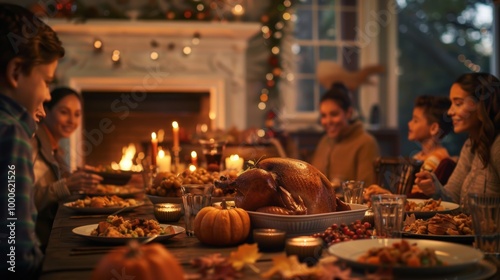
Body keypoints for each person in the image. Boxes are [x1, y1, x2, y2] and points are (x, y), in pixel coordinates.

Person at [0, 3, 65, 278]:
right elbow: (14, 252)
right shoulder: (11, 134)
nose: (49, 95)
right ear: (16, 73)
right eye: (46, 81)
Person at [415, 72, 500, 210]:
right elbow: (453, 199)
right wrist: (434, 188)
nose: (449, 112)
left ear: (481, 105)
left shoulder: (497, 145)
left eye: (458, 103)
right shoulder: (470, 145)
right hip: (470, 231)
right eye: (451, 104)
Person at [32, 87, 102, 252]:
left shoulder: (55, 148)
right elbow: (19, 201)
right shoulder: (32, 144)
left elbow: (54, 180)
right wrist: (67, 185)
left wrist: (76, 178)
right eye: (64, 112)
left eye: (77, 114)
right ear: (46, 111)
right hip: (37, 242)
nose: (72, 120)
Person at [364, 94, 455, 199]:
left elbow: (418, 198)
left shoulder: (435, 159)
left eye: (415, 120)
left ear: (433, 128)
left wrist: (387, 196)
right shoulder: (418, 156)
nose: (409, 124)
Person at [310, 82, 380, 187]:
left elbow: (367, 190)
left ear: (349, 113)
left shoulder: (366, 143)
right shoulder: (324, 141)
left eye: (334, 114)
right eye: (323, 116)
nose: (327, 121)